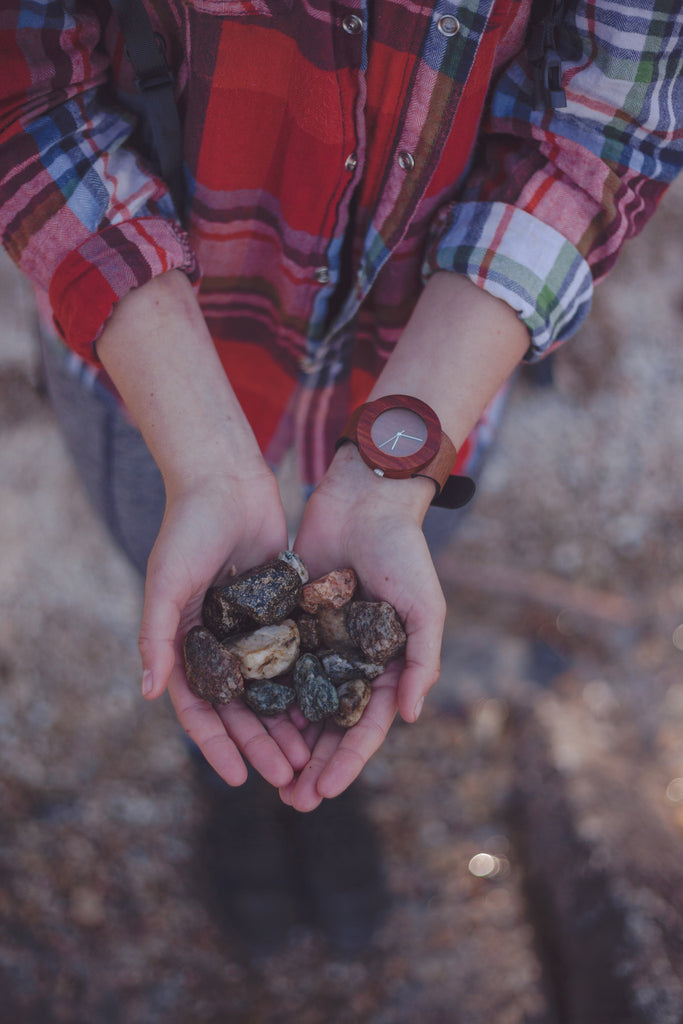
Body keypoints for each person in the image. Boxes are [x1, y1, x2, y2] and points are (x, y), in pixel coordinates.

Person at [0, 0, 681, 814]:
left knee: (399, 550)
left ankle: (317, 781)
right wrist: (202, 459)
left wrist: (396, 480)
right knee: (169, 565)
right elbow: (26, 88)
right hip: (149, 363)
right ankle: (232, 784)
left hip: (441, 357)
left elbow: (606, 124)